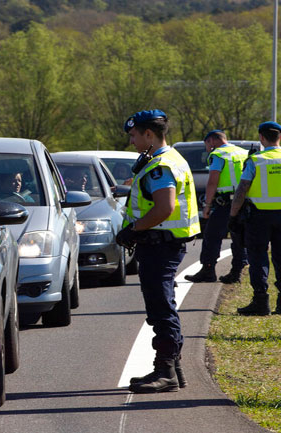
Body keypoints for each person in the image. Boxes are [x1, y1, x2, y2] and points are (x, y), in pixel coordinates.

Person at [115, 109, 200, 393]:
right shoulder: (170, 159)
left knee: (161, 309)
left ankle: (166, 372)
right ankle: (173, 368)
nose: (132, 142)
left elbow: (165, 207)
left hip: (159, 244)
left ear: (148, 134)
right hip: (162, 243)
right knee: (162, 306)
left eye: (134, 135)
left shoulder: (160, 167)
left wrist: (134, 229)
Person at [228, 121, 281, 316]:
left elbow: (242, 190)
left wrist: (232, 215)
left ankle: (261, 302)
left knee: (257, 257)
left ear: (261, 138)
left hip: (258, 216)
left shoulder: (256, 160)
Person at [185, 130, 248, 284]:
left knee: (212, 236)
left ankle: (208, 270)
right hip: (245, 201)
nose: (206, 148)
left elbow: (213, 181)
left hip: (226, 203)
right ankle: (237, 272)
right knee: (239, 237)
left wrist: (207, 204)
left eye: (206, 144)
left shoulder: (218, 155)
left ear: (211, 141)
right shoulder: (243, 152)